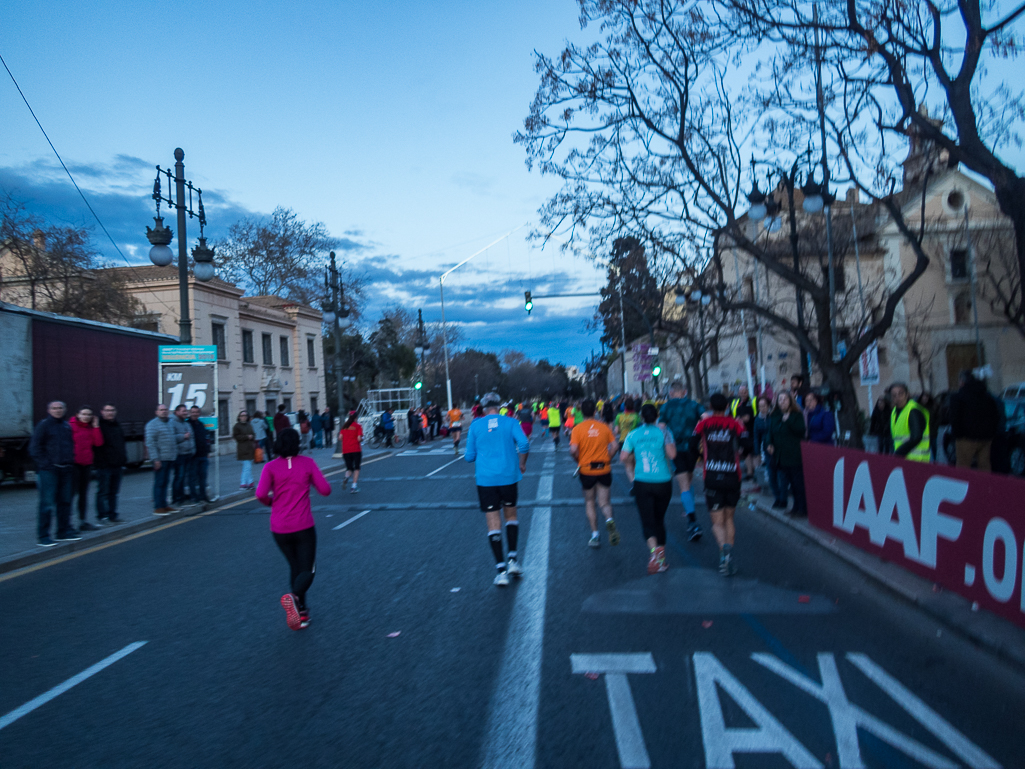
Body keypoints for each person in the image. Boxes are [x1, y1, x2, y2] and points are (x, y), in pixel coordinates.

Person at [256, 427, 332, 630]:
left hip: (279, 528)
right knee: (308, 569)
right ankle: (294, 597)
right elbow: (325, 490)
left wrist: (272, 503)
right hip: (303, 525)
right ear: (298, 444)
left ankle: (302, 613)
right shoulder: (307, 463)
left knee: (295, 567)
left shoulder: (270, 467)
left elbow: (261, 493)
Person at [464, 392, 530, 587]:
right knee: (511, 516)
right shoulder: (510, 422)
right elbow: (524, 444)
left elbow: (469, 457)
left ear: (483, 409)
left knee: (493, 523)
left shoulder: (475, 425)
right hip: (509, 476)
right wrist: (522, 463)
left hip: (486, 479)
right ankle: (513, 561)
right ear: (499, 407)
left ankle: (500, 571)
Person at [692, 394, 746, 575]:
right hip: (732, 476)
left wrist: (700, 455)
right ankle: (728, 557)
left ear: (710, 406)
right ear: (727, 407)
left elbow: (692, 443)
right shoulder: (735, 424)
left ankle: (724, 556)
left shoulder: (703, 424)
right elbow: (745, 444)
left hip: (712, 476)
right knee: (729, 519)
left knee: (717, 522)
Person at [620, 403, 676, 573]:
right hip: (663, 481)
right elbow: (673, 455)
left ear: (641, 418)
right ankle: (662, 559)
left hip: (642, 482)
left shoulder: (633, 434)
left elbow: (623, 457)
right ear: (657, 416)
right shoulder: (664, 432)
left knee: (647, 520)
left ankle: (654, 554)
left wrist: (637, 454)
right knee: (659, 519)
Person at [570, 399, 620, 548]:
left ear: (581, 412)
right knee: (604, 502)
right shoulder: (604, 427)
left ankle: (595, 535)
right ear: (595, 412)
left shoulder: (577, 429)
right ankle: (609, 519)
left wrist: (578, 460)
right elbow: (615, 446)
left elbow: (573, 450)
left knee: (590, 502)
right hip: (603, 468)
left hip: (587, 470)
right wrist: (609, 458)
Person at [657, 382, 704, 541]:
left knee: (683, 485)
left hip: (675, 448)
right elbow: (706, 419)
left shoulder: (666, 407)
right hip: (693, 446)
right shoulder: (694, 404)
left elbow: (661, 428)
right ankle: (689, 507)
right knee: (688, 481)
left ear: (670, 393)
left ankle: (693, 523)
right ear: (684, 391)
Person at [30, 401, 80, 546]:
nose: (57, 410)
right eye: (54, 408)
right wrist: (46, 465)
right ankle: (43, 536)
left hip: (66, 469)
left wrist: (70, 462)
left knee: (65, 502)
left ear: (65, 410)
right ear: (49, 410)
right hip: (49, 471)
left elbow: (70, 446)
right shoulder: (43, 425)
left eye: (60, 408)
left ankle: (63, 532)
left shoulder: (66, 426)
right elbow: (34, 448)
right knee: (47, 504)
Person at [949, 371, 1001, 471]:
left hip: (966, 438)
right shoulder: (987, 397)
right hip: (986, 438)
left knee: (963, 467)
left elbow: (955, 418)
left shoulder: (958, 397)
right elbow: (995, 416)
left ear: (962, 381)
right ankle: (985, 486)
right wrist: (991, 433)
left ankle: (964, 486)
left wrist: (958, 434)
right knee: (984, 466)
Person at [767, 392, 807, 516]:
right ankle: (795, 507)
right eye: (780, 399)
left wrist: (788, 420)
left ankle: (802, 508)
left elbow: (801, 431)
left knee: (798, 483)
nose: (782, 401)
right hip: (780, 456)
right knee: (790, 483)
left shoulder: (796, 415)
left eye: (785, 399)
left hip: (793, 455)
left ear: (790, 401)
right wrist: (769, 443)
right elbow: (770, 432)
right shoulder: (775, 415)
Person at [68, 405, 104, 531]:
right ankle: (68, 524)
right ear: (77, 414)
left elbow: (98, 443)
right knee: (71, 494)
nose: (86, 417)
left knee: (83, 494)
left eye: (89, 414)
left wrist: (96, 426)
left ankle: (82, 521)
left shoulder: (90, 428)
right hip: (74, 464)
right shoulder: (70, 426)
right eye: (84, 414)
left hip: (86, 464)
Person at [94, 403, 127, 523]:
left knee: (114, 492)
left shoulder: (117, 425)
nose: (110, 413)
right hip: (104, 465)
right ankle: (102, 516)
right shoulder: (98, 426)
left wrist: (123, 459)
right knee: (103, 492)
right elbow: (97, 445)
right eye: (107, 410)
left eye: (112, 410)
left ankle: (113, 515)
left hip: (117, 465)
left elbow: (121, 444)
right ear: (102, 412)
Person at [145, 404, 179, 515]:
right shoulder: (152, 425)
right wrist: (155, 459)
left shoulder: (170, 423)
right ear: (156, 412)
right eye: (161, 410)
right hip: (160, 459)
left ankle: (164, 505)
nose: (164, 411)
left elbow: (173, 438)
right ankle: (158, 507)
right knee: (159, 482)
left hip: (169, 458)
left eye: (165, 410)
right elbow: (150, 443)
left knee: (165, 482)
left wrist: (184, 437)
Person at [888, 382, 930, 463]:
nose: (898, 398)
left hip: (918, 460)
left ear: (907, 394)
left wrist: (898, 453)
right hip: (904, 460)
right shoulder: (894, 412)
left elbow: (916, 437)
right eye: (894, 395)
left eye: (900, 394)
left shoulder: (913, 410)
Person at [171, 404, 195, 505]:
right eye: (183, 411)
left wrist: (193, 449)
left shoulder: (186, 424)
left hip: (188, 454)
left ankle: (183, 496)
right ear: (177, 412)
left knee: (186, 477)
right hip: (179, 454)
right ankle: (176, 498)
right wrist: (183, 437)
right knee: (179, 477)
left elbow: (192, 437)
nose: (185, 413)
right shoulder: (172, 423)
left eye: (186, 411)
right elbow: (171, 438)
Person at [188, 406, 211, 502]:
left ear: (199, 413)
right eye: (193, 412)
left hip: (203, 455)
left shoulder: (201, 424)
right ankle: (194, 497)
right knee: (192, 478)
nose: (195, 414)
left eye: (197, 412)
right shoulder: (187, 424)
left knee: (203, 477)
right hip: (193, 456)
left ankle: (203, 496)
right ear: (190, 413)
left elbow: (206, 438)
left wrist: (207, 451)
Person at [339, 411, 364, 492]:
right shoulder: (358, 426)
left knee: (349, 468)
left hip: (345, 450)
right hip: (355, 449)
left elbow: (340, 437)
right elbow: (359, 439)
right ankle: (353, 487)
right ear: (356, 418)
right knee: (356, 468)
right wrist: (361, 439)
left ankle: (346, 477)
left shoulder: (344, 426)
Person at [233, 410, 257, 489]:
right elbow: (236, 437)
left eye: (245, 416)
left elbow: (253, 434)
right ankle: (243, 483)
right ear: (239, 417)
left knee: (247, 467)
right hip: (242, 449)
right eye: (242, 416)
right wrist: (247, 437)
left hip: (250, 448)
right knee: (247, 467)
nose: (244, 417)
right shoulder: (237, 426)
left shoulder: (249, 425)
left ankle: (250, 483)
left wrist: (252, 437)